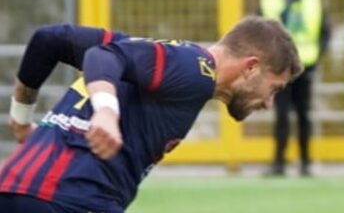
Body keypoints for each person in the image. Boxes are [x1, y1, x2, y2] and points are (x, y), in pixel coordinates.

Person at [0, 17, 301, 213]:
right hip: (71, 198)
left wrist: (21, 117)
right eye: (274, 89)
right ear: (250, 67)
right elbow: (102, 56)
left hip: (14, 187)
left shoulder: (144, 52)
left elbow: (49, 40)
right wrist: (106, 110)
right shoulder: (195, 69)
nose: (268, 104)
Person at [259, 0, 330, 176]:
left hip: (305, 68)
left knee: (303, 115)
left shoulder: (313, 2)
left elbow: (325, 32)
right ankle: (279, 162)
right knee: (281, 115)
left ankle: (305, 162)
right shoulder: (269, 2)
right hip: (279, 68)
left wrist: (317, 57)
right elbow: (257, 32)